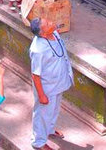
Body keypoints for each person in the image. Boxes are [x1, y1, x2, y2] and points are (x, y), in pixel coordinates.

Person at [29, 17, 73, 150]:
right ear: (42, 33)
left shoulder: (54, 33)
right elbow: (36, 75)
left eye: (47, 20)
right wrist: (41, 95)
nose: (51, 22)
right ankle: (39, 142)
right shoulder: (38, 50)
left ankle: (49, 130)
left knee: (54, 109)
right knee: (42, 114)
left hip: (59, 82)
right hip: (47, 87)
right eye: (47, 24)